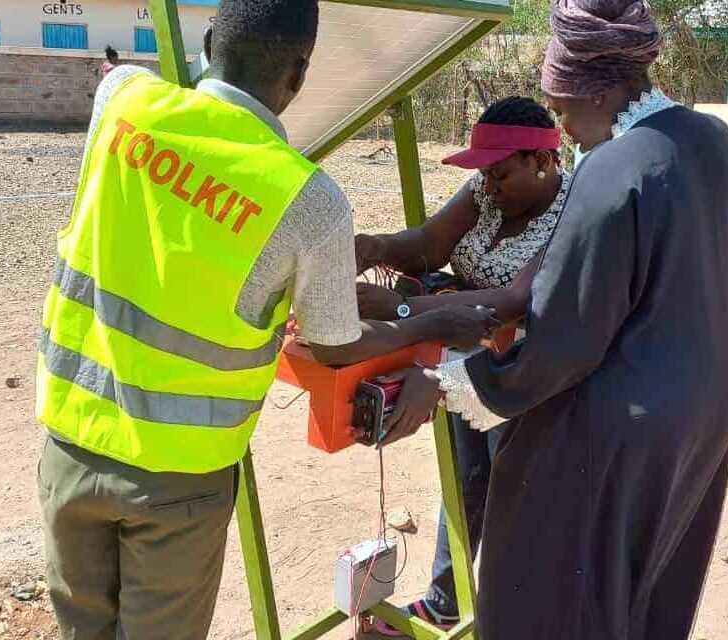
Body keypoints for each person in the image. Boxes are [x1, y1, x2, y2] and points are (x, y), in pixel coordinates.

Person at [35, 2, 495, 639]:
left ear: (209, 38)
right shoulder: (307, 199)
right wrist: (429, 326)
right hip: (178, 482)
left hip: (68, 449)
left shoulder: (122, 100)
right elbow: (335, 348)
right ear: (301, 75)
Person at [381, 1, 728, 638]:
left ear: (602, 88)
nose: (565, 128)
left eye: (564, 108)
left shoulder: (610, 170)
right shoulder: (717, 143)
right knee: (644, 575)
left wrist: (447, 380)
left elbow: (565, 336)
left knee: (553, 580)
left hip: (619, 424)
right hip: (705, 409)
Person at [357, 96, 570, 634]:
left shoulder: (575, 211)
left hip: (526, 374)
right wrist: (377, 245)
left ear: (542, 162)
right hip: (463, 361)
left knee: (516, 496)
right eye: (484, 174)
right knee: (464, 478)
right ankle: (445, 602)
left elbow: (513, 300)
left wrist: (400, 311)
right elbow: (430, 243)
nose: (489, 186)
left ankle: (515, 620)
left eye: (499, 174)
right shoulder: (486, 191)